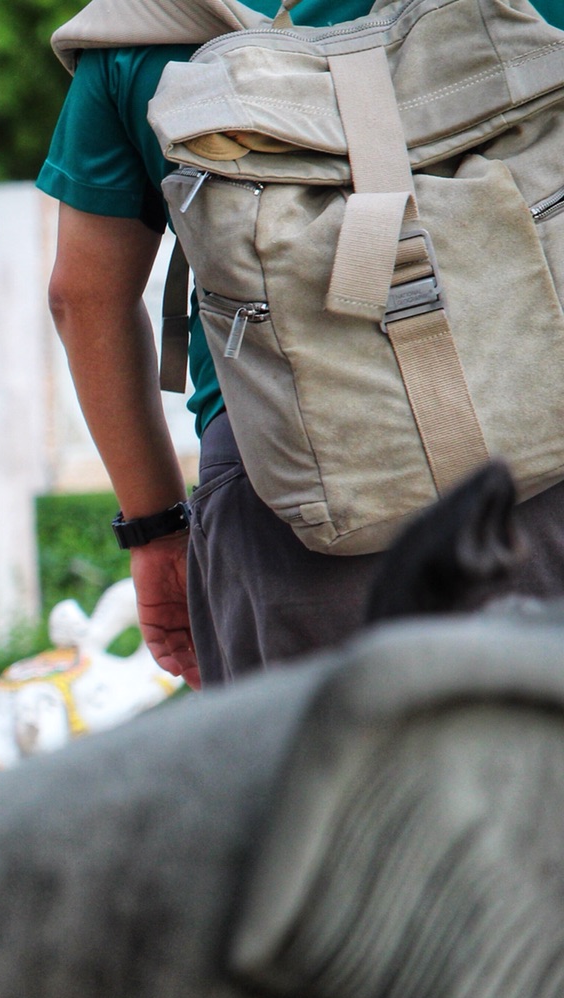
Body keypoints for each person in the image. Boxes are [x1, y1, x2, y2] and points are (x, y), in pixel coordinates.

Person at [42, 0, 564, 689]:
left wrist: (156, 532)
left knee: (329, 792)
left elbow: (83, 299)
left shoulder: (138, 31)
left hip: (285, 501)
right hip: (545, 442)